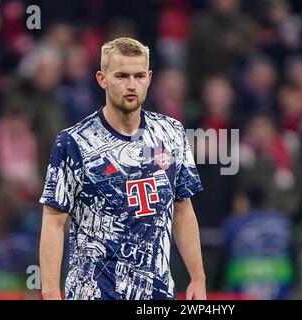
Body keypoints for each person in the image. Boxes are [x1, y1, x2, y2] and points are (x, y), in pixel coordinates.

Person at [39, 38, 206, 300]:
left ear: (149, 78)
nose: (131, 84)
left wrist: (197, 277)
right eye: (121, 76)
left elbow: (183, 210)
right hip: (92, 293)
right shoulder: (73, 142)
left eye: (139, 75)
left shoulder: (172, 134)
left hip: (157, 295)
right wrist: (50, 292)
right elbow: (53, 221)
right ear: (101, 79)